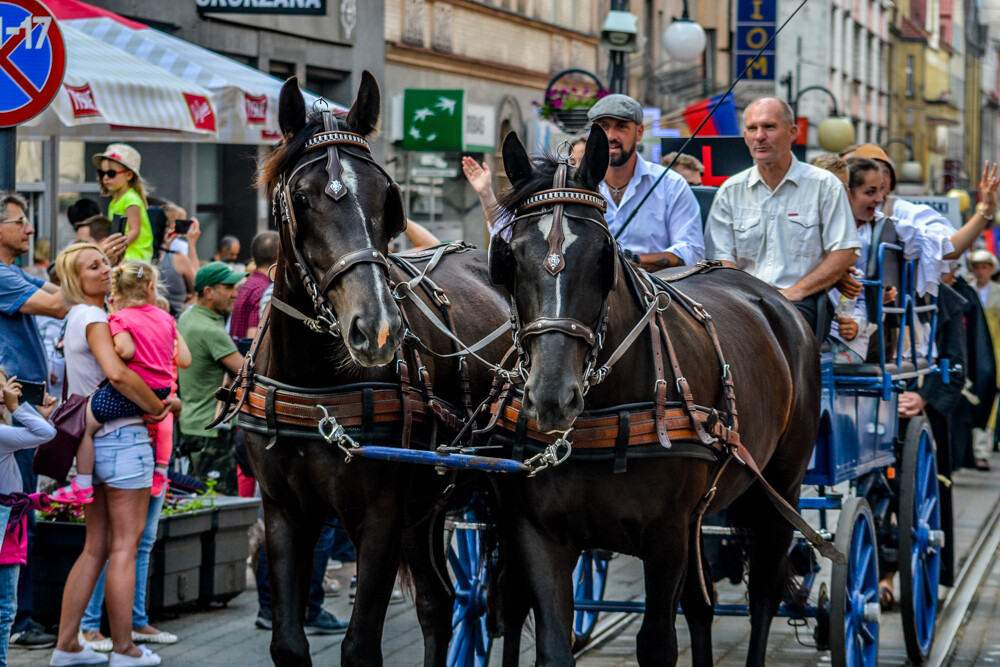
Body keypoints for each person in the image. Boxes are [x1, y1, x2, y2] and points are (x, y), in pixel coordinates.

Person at [51, 243, 175, 667]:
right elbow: (118, 373)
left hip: (97, 443)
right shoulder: (94, 317)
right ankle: (126, 649)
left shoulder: (76, 317)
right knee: (125, 547)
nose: (105, 269)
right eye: (93, 266)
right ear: (75, 279)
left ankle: (67, 646)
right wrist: (158, 406)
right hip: (124, 441)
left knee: (96, 548)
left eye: (104, 262)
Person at [704, 97, 860, 339]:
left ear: (792, 132)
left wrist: (796, 292)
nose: (759, 136)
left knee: (779, 332)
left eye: (769, 127)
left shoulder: (824, 186)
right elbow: (723, 259)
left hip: (803, 301)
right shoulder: (730, 190)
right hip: (742, 300)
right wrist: (745, 296)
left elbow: (844, 251)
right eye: (752, 128)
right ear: (745, 136)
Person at [79, 296, 182, 654]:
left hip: (153, 459)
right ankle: (98, 632)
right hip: (130, 448)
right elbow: (118, 371)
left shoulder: (156, 357)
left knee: (135, 545)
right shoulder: (113, 326)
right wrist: (157, 406)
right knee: (115, 547)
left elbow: (178, 369)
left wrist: (167, 327)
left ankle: (130, 623)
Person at [52, 261, 189, 506]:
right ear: (150, 287)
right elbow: (180, 355)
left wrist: (110, 347)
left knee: (83, 422)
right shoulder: (166, 317)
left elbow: (125, 350)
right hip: (162, 389)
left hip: (133, 390)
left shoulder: (118, 318)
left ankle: (81, 484)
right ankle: (161, 469)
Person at [0, 192, 65, 650]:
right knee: (15, 513)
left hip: (19, 405)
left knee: (18, 513)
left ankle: (15, 618)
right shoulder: (0, 274)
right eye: (21, 221)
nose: (30, 230)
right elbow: (60, 304)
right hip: (10, 409)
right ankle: (16, 621)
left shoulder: (15, 272)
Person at [841, 145, 1000, 296]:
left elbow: (949, 247)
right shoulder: (830, 220)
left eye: (884, 172)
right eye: (869, 191)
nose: (877, 198)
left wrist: (986, 209)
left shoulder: (897, 217)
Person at [587, 94, 704, 270]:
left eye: (621, 127)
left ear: (639, 132)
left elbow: (692, 251)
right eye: (603, 127)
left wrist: (631, 260)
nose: (610, 136)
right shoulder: (575, 186)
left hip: (656, 292)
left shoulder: (671, 184)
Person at [0, 368, 56, 667]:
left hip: (8, 523)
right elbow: (44, 435)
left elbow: (38, 434)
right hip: (5, 528)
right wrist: (19, 408)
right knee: (5, 609)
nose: (6, 393)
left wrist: (39, 415)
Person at [177, 263, 247, 494]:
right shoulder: (210, 330)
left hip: (194, 423)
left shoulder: (189, 317)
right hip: (211, 430)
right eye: (228, 287)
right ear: (208, 292)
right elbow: (247, 373)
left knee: (197, 497)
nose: (235, 293)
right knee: (218, 500)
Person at [826, 158, 886, 363]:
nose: (880, 198)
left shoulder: (865, 235)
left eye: (880, 191)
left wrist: (857, 323)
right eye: (871, 192)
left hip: (841, 338)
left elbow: (860, 290)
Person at [966, 248, 1000, 471]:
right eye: (977, 267)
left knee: (989, 402)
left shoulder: (998, 293)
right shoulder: (967, 291)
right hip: (970, 353)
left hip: (995, 355)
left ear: (991, 269)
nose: (980, 272)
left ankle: (982, 452)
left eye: (984, 267)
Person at [93, 144, 154, 263]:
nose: (105, 178)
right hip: (125, 253)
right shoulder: (116, 200)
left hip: (135, 256)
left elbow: (134, 231)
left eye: (111, 173)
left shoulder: (130, 199)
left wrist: (114, 248)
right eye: (102, 173)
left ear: (129, 175)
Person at [230, 231, 278, 340]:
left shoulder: (249, 283)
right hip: (247, 355)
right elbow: (253, 338)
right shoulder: (264, 290)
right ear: (279, 258)